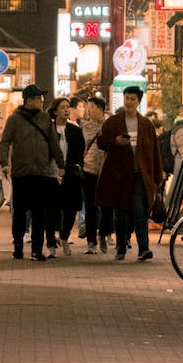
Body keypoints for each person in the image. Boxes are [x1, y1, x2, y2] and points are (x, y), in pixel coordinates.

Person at [94, 84, 163, 261]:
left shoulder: (146, 124)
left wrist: (157, 176)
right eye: (127, 98)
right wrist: (115, 142)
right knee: (120, 212)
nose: (129, 101)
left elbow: (154, 152)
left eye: (133, 98)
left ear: (138, 102)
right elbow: (101, 142)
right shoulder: (113, 122)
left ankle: (144, 248)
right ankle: (121, 247)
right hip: (119, 174)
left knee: (140, 211)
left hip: (139, 174)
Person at [0, 83, 64, 260]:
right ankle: (18, 245)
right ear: (28, 100)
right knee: (19, 213)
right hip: (21, 172)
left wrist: (61, 164)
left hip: (42, 171)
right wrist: (4, 163)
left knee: (39, 212)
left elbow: (53, 142)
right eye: (39, 98)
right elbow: (5, 142)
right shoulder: (14, 119)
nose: (42, 101)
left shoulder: (45, 119)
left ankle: (37, 249)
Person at [50, 96, 84, 251]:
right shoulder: (48, 129)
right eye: (62, 107)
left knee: (71, 208)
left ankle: (64, 236)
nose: (66, 110)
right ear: (55, 110)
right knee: (52, 208)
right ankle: (51, 242)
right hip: (51, 173)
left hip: (70, 174)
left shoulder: (75, 130)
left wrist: (75, 166)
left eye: (67, 107)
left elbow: (80, 152)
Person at [79, 94, 111, 253]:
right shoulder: (84, 127)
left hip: (106, 171)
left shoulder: (110, 126)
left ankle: (103, 234)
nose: (88, 111)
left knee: (106, 206)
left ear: (100, 109)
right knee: (90, 206)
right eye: (87, 108)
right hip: (88, 170)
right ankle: (91, 242)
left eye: (91, 108)